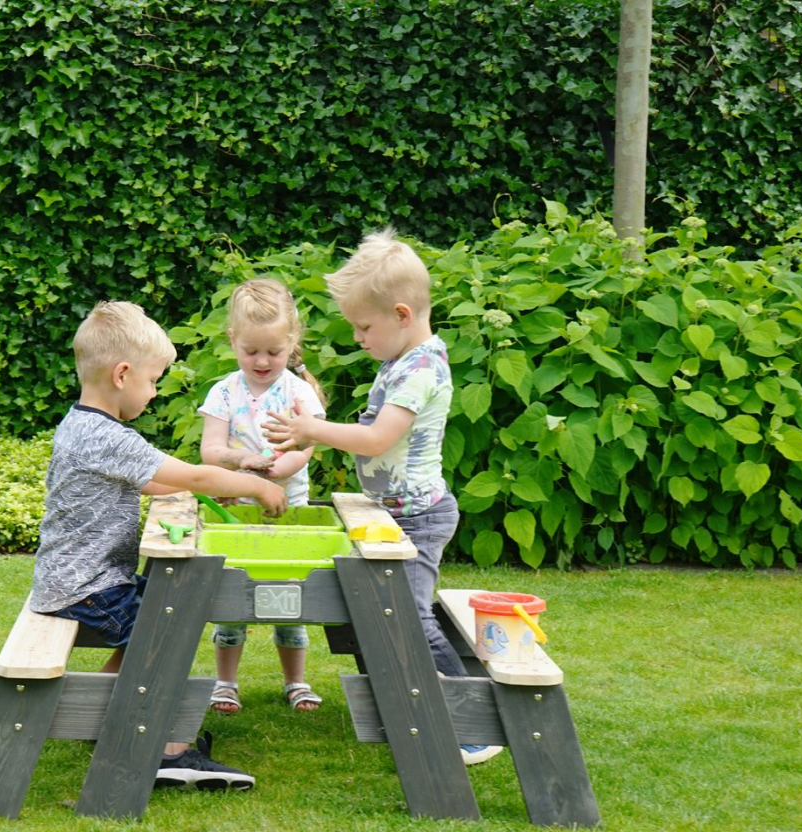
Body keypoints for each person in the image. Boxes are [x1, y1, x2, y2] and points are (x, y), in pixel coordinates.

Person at [263, 229, 503, 766]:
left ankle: (472, 725)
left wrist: (314, 428)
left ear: (401, 314)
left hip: (418, 519)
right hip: (393, 515)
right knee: (385, 612)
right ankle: (407, 703)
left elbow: (376, 439)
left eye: (363, 326)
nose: (357, 337)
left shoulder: (421, 370)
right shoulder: (401, 363)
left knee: (411, 617)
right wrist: (308, 434)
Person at [28, 300, 288, 790]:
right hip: (86, 587)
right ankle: (168, 750)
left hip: (76, 580)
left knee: (164, 607)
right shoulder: (107, 436)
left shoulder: (84, 426)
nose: (153, 392)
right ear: (123, 374)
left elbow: (155, 483)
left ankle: (102, 714)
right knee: (171, 621)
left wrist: (211, 488)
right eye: (153, 381)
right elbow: (187, 472)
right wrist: (254, 484)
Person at [198, 278, 327, 715]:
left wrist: (276, 472)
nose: (262, 360)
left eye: (273, 351)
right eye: (251, 350)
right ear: (233, 340)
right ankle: (225, 683)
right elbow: (210, 450)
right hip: (234, 515)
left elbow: (307, 448)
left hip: (287, 512)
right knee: (231, 601)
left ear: (291, 343)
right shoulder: (223, 392)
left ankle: (296, 681)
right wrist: (242, 463)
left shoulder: (298, 392)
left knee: (290, 600)